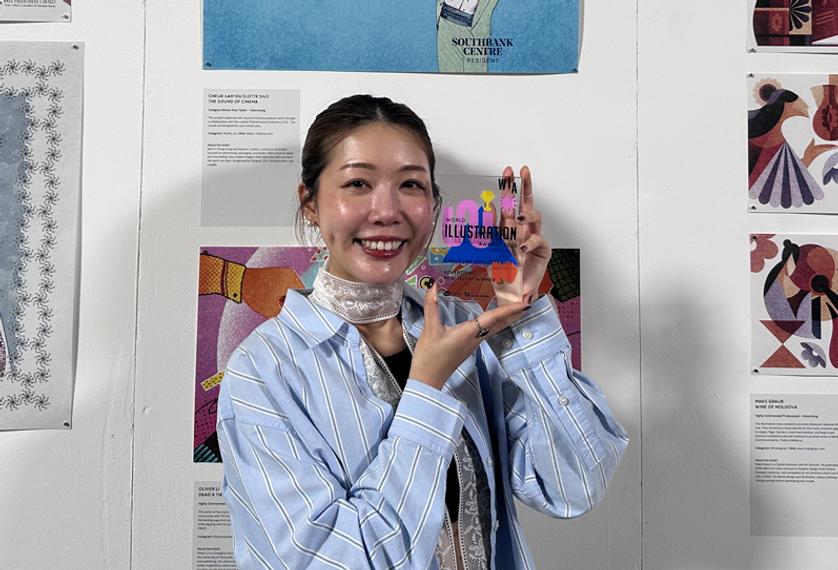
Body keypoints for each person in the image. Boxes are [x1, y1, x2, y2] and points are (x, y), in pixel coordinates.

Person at [217, 94, 628, 569]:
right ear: (310, 203)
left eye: (411, 184)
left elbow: (573, 487)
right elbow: (329, 560)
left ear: (433, 204)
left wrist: (521, 315)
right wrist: (426, 391)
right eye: (358, 183)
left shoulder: (461, 326)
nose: (387, 211)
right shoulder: (262, 372)